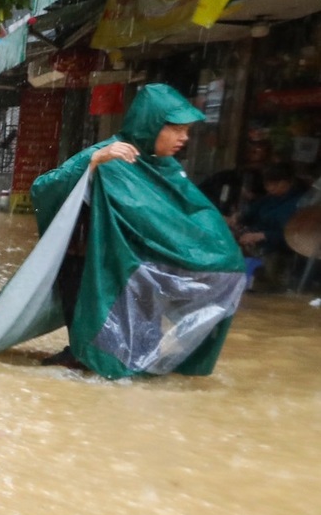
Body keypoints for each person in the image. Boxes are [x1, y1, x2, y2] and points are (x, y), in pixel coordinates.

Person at [17, 82, 243, 377]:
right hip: (88, 262)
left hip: (138, 267)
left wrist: (223, 257)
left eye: (186, 131)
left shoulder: (167, 169)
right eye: (176, 129)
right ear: (152, 125)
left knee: (139, 348)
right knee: (94, 345)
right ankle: (85, 360)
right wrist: (93, 163)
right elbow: (44, 188)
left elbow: (188, 218)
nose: (183, 138)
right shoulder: (106, 155)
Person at [234, 161, 302, 260]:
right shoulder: (271, 198)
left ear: (286, 182)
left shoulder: (299, 204)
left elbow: (293, 237)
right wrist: (238, 217)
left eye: (273, 184)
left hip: (277, 253)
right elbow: (253, 211)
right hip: (254, 242)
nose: (269, 188)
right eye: (267, 184)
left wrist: (262, 236)